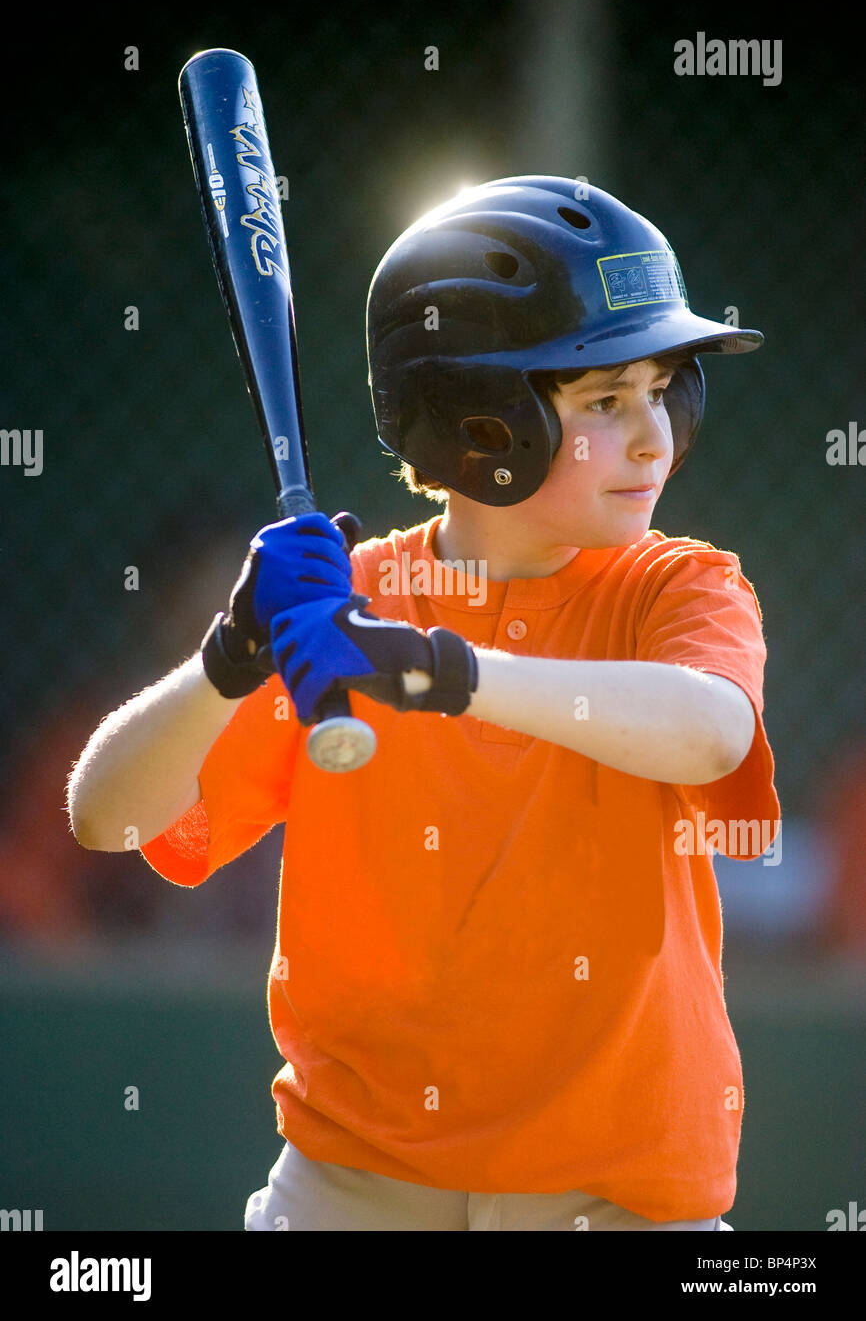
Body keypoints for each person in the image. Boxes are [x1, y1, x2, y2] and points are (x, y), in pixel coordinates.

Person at [67, 176, 780, 1231]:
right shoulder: (344, 613)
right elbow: (105, 816)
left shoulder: (677, 587)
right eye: (602, 401)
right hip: (353, 1186)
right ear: (474, 426)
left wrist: (446, 673)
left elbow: (707, 728)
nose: (653, 437)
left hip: (614, 1203)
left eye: (663, 389)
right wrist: (230, 658)